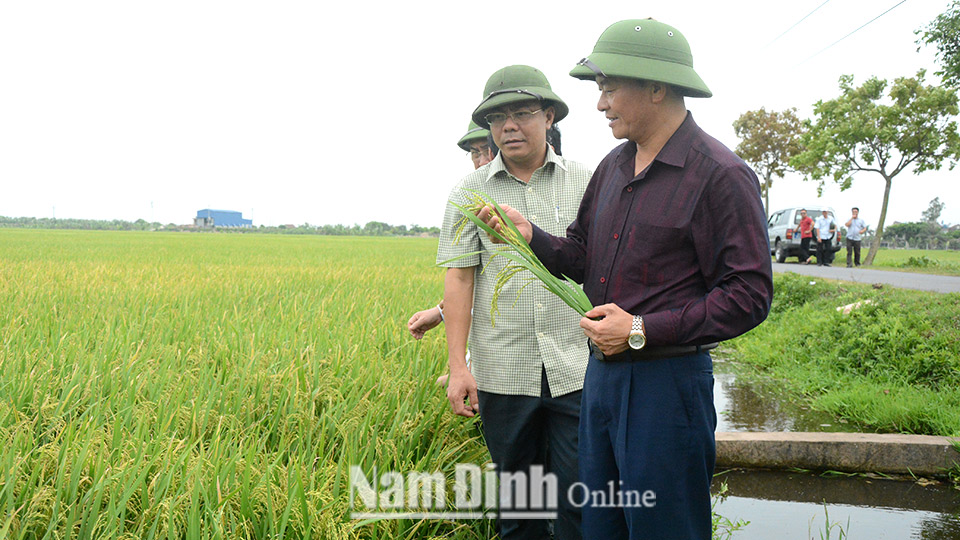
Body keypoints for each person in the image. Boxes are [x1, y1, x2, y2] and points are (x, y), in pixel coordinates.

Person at [478, 20, 773, 540]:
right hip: (603, 380)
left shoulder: (719, 175)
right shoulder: (614, 168)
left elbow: (748, 295)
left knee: (665, 527)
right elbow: (584, 256)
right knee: (601, 526)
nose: (600, 104)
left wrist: (640, 328)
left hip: (667, 386)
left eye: (609, 89)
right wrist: (532, 237)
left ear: (656, 87)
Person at [438, 64, 592, 539]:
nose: (508, 125)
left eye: (522, 112)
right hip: (504, 372)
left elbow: (605, 266)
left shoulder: (588, 182)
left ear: (549, 117)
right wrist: (459, 367)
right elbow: (460, 279)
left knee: (580, 503)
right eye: (497, 117)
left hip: (577, 369)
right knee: (521, 510)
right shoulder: (470, 191)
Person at [407, 121, 498, 344]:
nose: (483, 161)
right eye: (475, 153)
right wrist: (440, 311)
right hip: (489, 337)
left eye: (489, 151)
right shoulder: (470, 198)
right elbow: (468, 278)